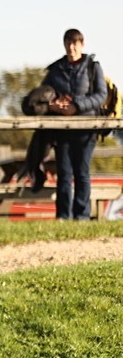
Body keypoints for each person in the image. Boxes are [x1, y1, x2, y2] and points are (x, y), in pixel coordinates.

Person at [41, 29, 107, 219]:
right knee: (64, 173)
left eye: (75, 43)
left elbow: (101, 95)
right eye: (68, 43)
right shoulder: (55, 70)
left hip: (86, 127)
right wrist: (53, 105)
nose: (71, 47)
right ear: (64, 44)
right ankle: (63, 217)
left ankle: (82, 216)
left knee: (82, 172)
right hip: (61, 128)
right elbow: (43, 94)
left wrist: (76, 106)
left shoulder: (92, 67)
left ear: (82, 45)